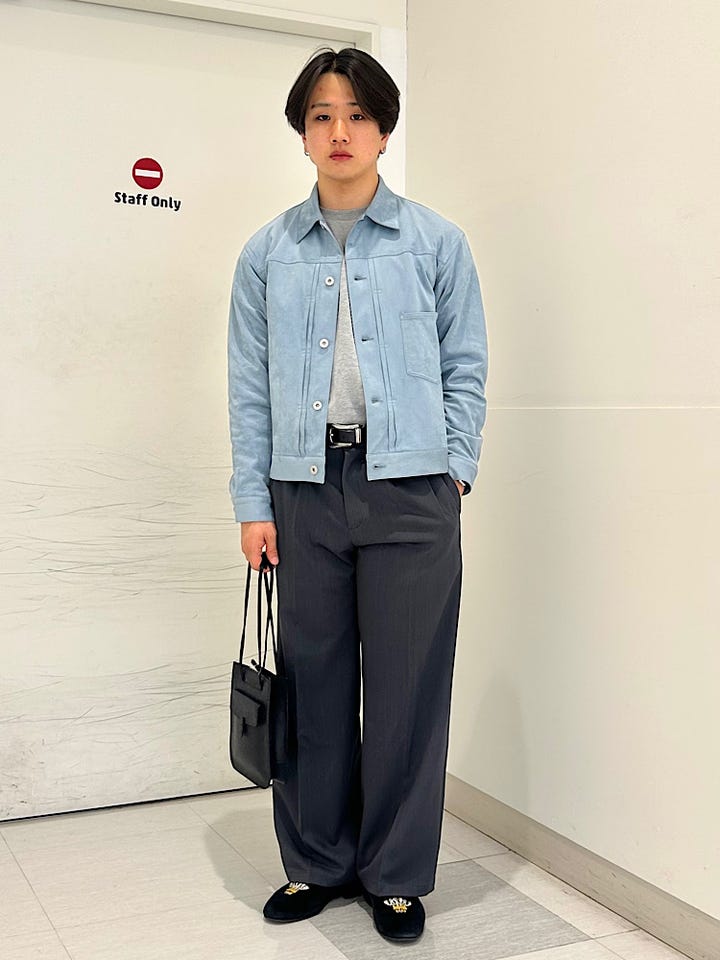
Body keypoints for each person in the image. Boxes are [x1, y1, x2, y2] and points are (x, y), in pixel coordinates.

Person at [227, 46, 487, 943]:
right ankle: (316, 862)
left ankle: (397, 876)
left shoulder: (436, 243)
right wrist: (253, 502)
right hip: (305, 491)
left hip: (412, 491)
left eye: (358, 115)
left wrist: (455, 467)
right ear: (302, 134)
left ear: (383, 128)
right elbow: (249, 387)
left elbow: (466, 365)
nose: (340, 132)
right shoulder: (267, 253)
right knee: (314, 683)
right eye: (321, 116)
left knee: (409, 690)